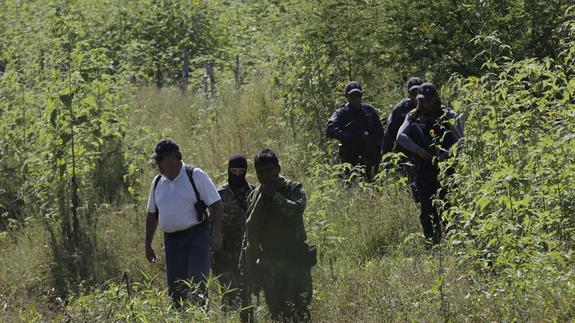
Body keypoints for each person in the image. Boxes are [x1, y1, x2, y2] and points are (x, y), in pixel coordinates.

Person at [145, 138, 224, 307]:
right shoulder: (157, 182)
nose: (157, 164)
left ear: (173, 157)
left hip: (197, 237)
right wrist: (148, 244)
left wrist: (217, 234)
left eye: (160, 159)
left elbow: (216, 205)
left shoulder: (195, 175)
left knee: (197, 289)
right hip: (172, 242)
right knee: (176, 292)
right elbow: (152, 215)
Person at [240, 149, 315, 322]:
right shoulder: (254, 196)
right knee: (277, 313)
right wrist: (245, 265)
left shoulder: (293, 188)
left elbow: (295, 211)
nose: (265, 176)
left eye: (269, 171)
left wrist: (273, 195)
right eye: (261, 172)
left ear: (278, 168)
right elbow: (250, 229)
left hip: (295, 259)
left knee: (300, 310)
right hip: (270, 262)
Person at [396, 83, 464, 246]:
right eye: (423, 100)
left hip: (446, 168)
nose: (426, 103)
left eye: (429, 100)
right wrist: (419, 151)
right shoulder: (412, 116)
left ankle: (454, 242)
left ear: (436, 99)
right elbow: (400, 136)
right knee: (427, 208)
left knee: (449, 205)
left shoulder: (448, 114)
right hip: (424, 168)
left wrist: (448, 153)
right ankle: (433, 243)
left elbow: (461, 139)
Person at [212, 154, 254, 308]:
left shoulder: (254, 193)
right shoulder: (219, 194)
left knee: (246, 294)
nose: (237, 175)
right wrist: (216, 251)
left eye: (241, 171)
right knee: (230, 292)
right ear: (228, 171)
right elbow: (211, 224)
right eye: (234, 171)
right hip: (225, 251)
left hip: (246, 251)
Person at [326, 81, 384, 181]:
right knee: (351, 184)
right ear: (346, 97)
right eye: (352, 96)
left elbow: (380, 132)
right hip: (350, 155)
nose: (356, 99)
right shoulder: (342, 112)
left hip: (369, 154)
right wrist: (347, 136)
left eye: (358, 95)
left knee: (373, 182)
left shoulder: (369, 111)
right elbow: (330, 129)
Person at [382, 76, 424, 200]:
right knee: (412, 182)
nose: (416, 97)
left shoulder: (431, 105)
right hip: (405, 153)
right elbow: (390, 133)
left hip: (425, 151)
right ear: (408, 93)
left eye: (418, 93)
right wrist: (385, 156)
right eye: (413, 93)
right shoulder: (400, 109)